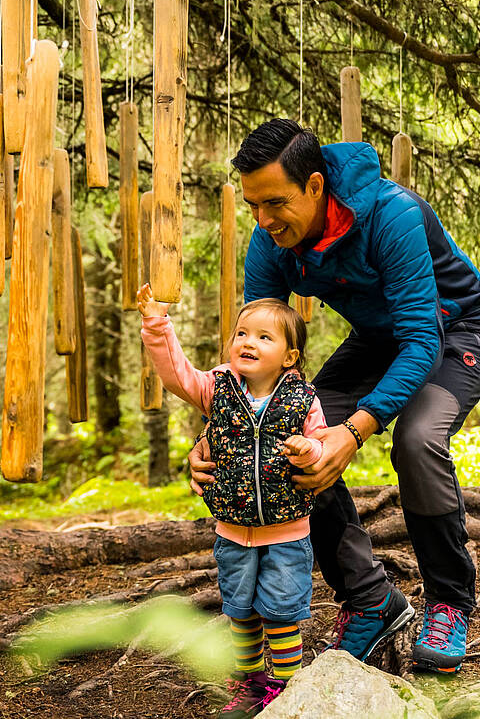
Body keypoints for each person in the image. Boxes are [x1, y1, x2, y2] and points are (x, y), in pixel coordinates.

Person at [189, 118, 480, 675]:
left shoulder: (392, 215)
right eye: (252, 205)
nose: (262, 220)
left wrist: (354, 430)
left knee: (417, 440)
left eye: (274, 203)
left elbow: (421, 338)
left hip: (457, 330)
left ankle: (449, 602)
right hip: (377, 339)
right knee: (289, 441)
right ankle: (371, 599)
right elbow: (256, 361)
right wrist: (219, 432)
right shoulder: (270, 238)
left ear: (317, 187)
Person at [138, 287, 334, 717]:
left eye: (264, 337)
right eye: (242, 333)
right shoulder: (217, 389)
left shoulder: (303, 399)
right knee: (241, 612)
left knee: (281, 615)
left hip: (287, 532)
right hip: (232, 531)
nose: (248, 342)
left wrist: (309, 449)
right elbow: (175, 374)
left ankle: (285, 687)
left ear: (289, 356)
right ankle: (249, 683)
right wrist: (157, 322)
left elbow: (322, 446)